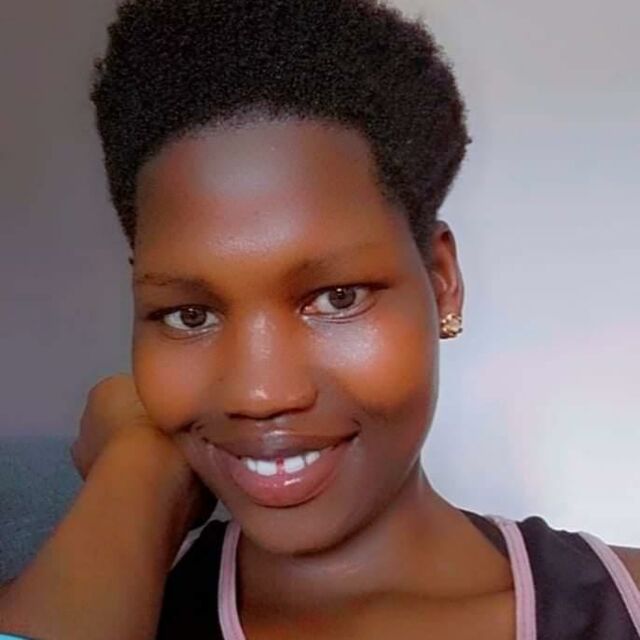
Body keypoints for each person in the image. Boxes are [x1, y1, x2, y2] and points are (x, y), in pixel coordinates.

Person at [1, 0, 639, 638]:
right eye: (189, 315)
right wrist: (139, 474)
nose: (259, 394)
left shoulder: (623, 601)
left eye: (337, 298)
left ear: (442, 281)